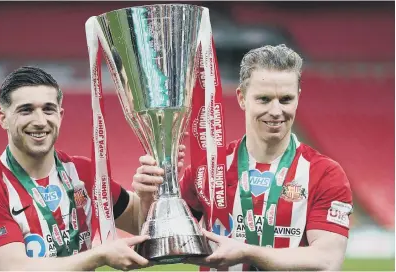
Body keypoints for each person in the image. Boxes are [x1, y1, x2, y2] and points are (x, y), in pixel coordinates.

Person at [133, 44, 353, 271]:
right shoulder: (209, 169)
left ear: (298, 97)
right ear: (241, 98)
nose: (276, 111)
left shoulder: (325, 173)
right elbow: (159, 242)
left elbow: (327, 260)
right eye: (264, 99)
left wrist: (247, 252)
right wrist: (149, 198)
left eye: (286, 99)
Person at [0, 66, 186, 271]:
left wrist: (148, 195)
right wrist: (100, 255)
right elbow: (13, 268)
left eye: (48, 109)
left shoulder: (83, 173)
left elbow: (140, 223)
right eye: (26, 110)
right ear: (3, 119)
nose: (39, 121)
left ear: (60, 115)